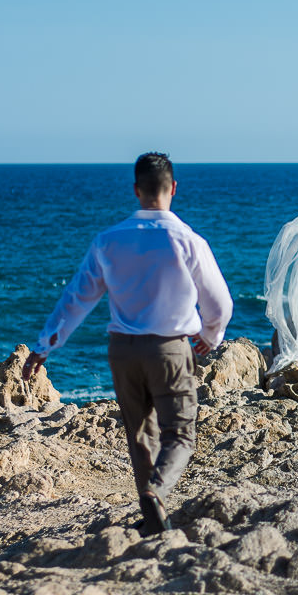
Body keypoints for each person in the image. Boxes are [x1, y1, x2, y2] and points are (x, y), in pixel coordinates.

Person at [23, 152, 232, 535]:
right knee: (181, 433)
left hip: (122, 350)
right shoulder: (187, 240)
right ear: (173, 189)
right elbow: (220, 304)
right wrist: (209, 338)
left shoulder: (108, 240)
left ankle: (153, 519)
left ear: (136, 190)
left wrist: (45, 345)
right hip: (169, 348)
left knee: (140, 435)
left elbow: (77, 299)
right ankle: (155, 493)